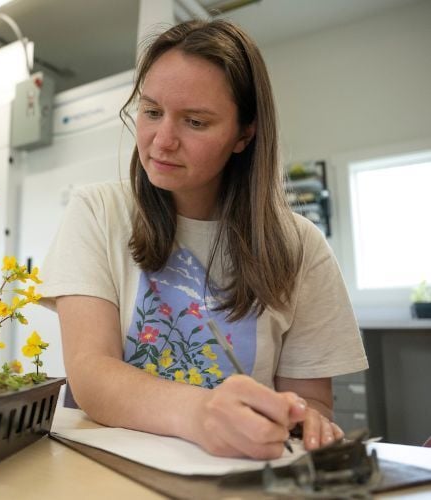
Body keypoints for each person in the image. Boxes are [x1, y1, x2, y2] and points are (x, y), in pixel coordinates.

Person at [38, 19, 368, 460]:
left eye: (195, 121)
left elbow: (311, 402)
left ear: (243, 136)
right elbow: (91, 376)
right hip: (106, 473)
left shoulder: (300, 247)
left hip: (236, 476)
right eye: (152, 112)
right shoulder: (98, 212)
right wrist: (201, 414)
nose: (163, 141)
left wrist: (302, 418)